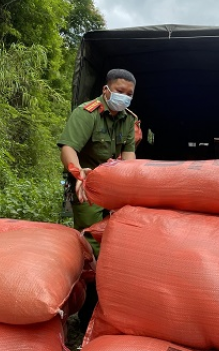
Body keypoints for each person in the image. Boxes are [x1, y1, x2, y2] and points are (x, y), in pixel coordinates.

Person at [57, 68, 138, 330]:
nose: (123, 97)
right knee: (92, 246)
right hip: (88, 186)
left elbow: (128, 159)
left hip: (113, 185)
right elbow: (69, 148)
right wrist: (78, 174)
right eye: (119, 91)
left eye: (129, 94)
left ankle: (113, 306)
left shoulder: (128, 120)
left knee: (120, 240)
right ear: (106, 90)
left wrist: (133, 189)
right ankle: (86, 314)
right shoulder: (86, 113)